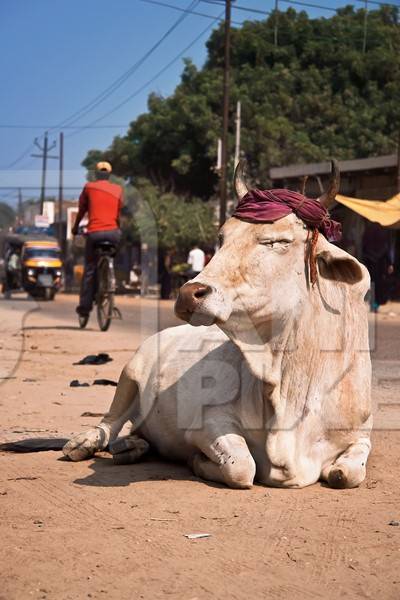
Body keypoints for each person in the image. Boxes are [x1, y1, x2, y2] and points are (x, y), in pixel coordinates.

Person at [72, 161, 123, 317]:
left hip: (94, 233)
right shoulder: (118, 189)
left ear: (95, 174)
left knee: (90, 268)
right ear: (109, 174)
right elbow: (118, 212)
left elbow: (81, 210)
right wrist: (116, 228)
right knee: (111, 255)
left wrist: (75, 228)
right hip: (114, 233)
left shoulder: (89, 187)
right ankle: (109, 275)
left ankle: (85, 308)